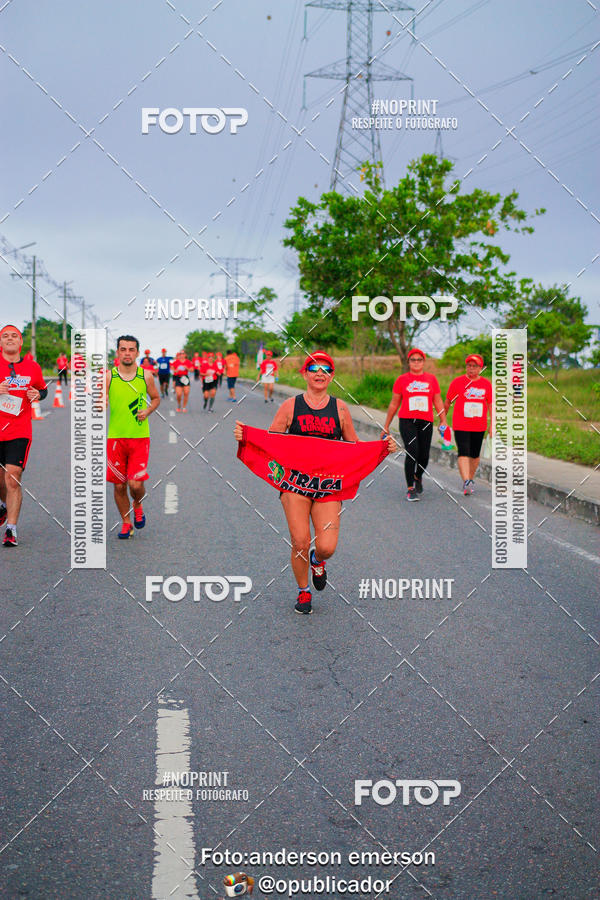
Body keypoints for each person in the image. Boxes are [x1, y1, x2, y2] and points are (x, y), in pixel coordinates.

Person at [235, 351, 396, 615]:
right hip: (294, 485)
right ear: (305, 374)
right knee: (300, 541)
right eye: (314, 367)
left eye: (326, 369)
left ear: (332, 376)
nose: (319, 372)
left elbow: (353, 447)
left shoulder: (341, 408)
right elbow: (272, 442)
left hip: (328, 486)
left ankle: (317, 561)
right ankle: (304, 591)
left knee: (326, 546)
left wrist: (382, 448)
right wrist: (247, 437)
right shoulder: (290, 406)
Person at [106, 335, 160, 538]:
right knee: (119, 485)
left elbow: (155, 398)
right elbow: (100, 399)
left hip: (139, 437)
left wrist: (148, 410)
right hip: (115, 438)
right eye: (123, 349)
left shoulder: (145, 376)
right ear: (117, 352)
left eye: (131, 349)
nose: (127, 353)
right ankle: (126, 522)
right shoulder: (108, 376)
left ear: (137, 352)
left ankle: (137, 503)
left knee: (135, 484)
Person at [0, 324, 48, 546]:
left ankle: (11, 529)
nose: (9, 339)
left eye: (14, 336)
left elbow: (43, 389)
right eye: (5, 336)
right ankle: (3, 505)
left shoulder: (32, 367)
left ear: (20, 343)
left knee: (13, 476)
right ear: (1, 342)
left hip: (19, 430)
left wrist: (38, 393)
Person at [382, 348, 448, 502]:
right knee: (412, 451)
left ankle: (417, 476)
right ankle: (410, 488)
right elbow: (394, 404)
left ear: (424, 362)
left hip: (426, 421)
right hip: (407, 420)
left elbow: (437, 401)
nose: (416, 362)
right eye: (413, 360)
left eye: (419, 360)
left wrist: (443, 420)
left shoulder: (431, 379)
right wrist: (386, 426)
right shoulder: (402, 380)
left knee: (424, 455)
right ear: (409, 362)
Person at [445, 353, 493, 495]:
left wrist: (493, 424)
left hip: (479, 425)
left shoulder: (485, 384)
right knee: (463, 451)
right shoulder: (458, 382)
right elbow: (448, 402)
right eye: (469, 366)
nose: (471, 369)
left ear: (481, 368)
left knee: (474, 455)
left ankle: (470, 480)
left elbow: (491, 404)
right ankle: (466, 480)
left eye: (475, 366)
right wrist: (443, 420)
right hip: (461, 424)